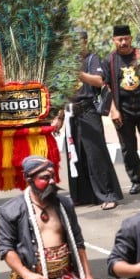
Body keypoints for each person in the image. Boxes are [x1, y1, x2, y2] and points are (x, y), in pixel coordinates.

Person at [0, 155, 98, 279]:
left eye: (53, 176)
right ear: (28, 179)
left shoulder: (64, 205)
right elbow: (6, 248)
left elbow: (78, 242)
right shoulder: (11, 210)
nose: (52, 181)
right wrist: (27, 275)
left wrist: (87, 276)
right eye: (45, 177)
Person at [52, 30, 123, 209]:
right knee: (75, 156)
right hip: (71, 114)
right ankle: (81, 195)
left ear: (85, 42)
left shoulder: (93, 59)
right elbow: (64, 92)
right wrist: (59, 117)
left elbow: (99, 81)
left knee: (95, 155)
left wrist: (80, 74)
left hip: (89, 111)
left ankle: (108, 194)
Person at [102, 24, 140, 195]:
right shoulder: (109, 60)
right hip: (123, 111)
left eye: (126, 39)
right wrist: (113, 110)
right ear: (114, 41)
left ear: (131, 38)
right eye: (120, 39)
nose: (123, 42)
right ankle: (136, 181)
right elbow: (105, 87)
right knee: (128, 149)